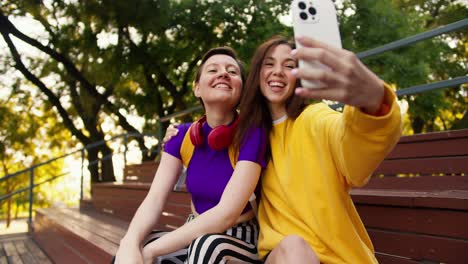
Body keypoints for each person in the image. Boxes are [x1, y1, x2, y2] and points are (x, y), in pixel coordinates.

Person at [165, 35, 401, 263]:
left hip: (337, 257)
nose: (278, 71)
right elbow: (212, 136)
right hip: (282, 255)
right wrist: (178, 133)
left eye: (289, 66)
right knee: (293, 248)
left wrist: (372, 102)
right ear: (257, 76)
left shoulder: (315, 118)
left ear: (299, 76)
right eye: (269, 64)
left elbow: (353, 151)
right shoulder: (246, 136)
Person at [114, 47, 267, 264]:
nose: (223, 74)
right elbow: (155, 199)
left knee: (205, 247)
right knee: (135, 248)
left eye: (232, 72)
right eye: (213, 70)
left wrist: (151, 252)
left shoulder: (252, 133)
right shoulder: (180, 136)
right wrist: (129, 244)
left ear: (241, 90)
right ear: (197, 88)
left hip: (240, 237)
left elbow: (226, 214)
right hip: (192, 231)